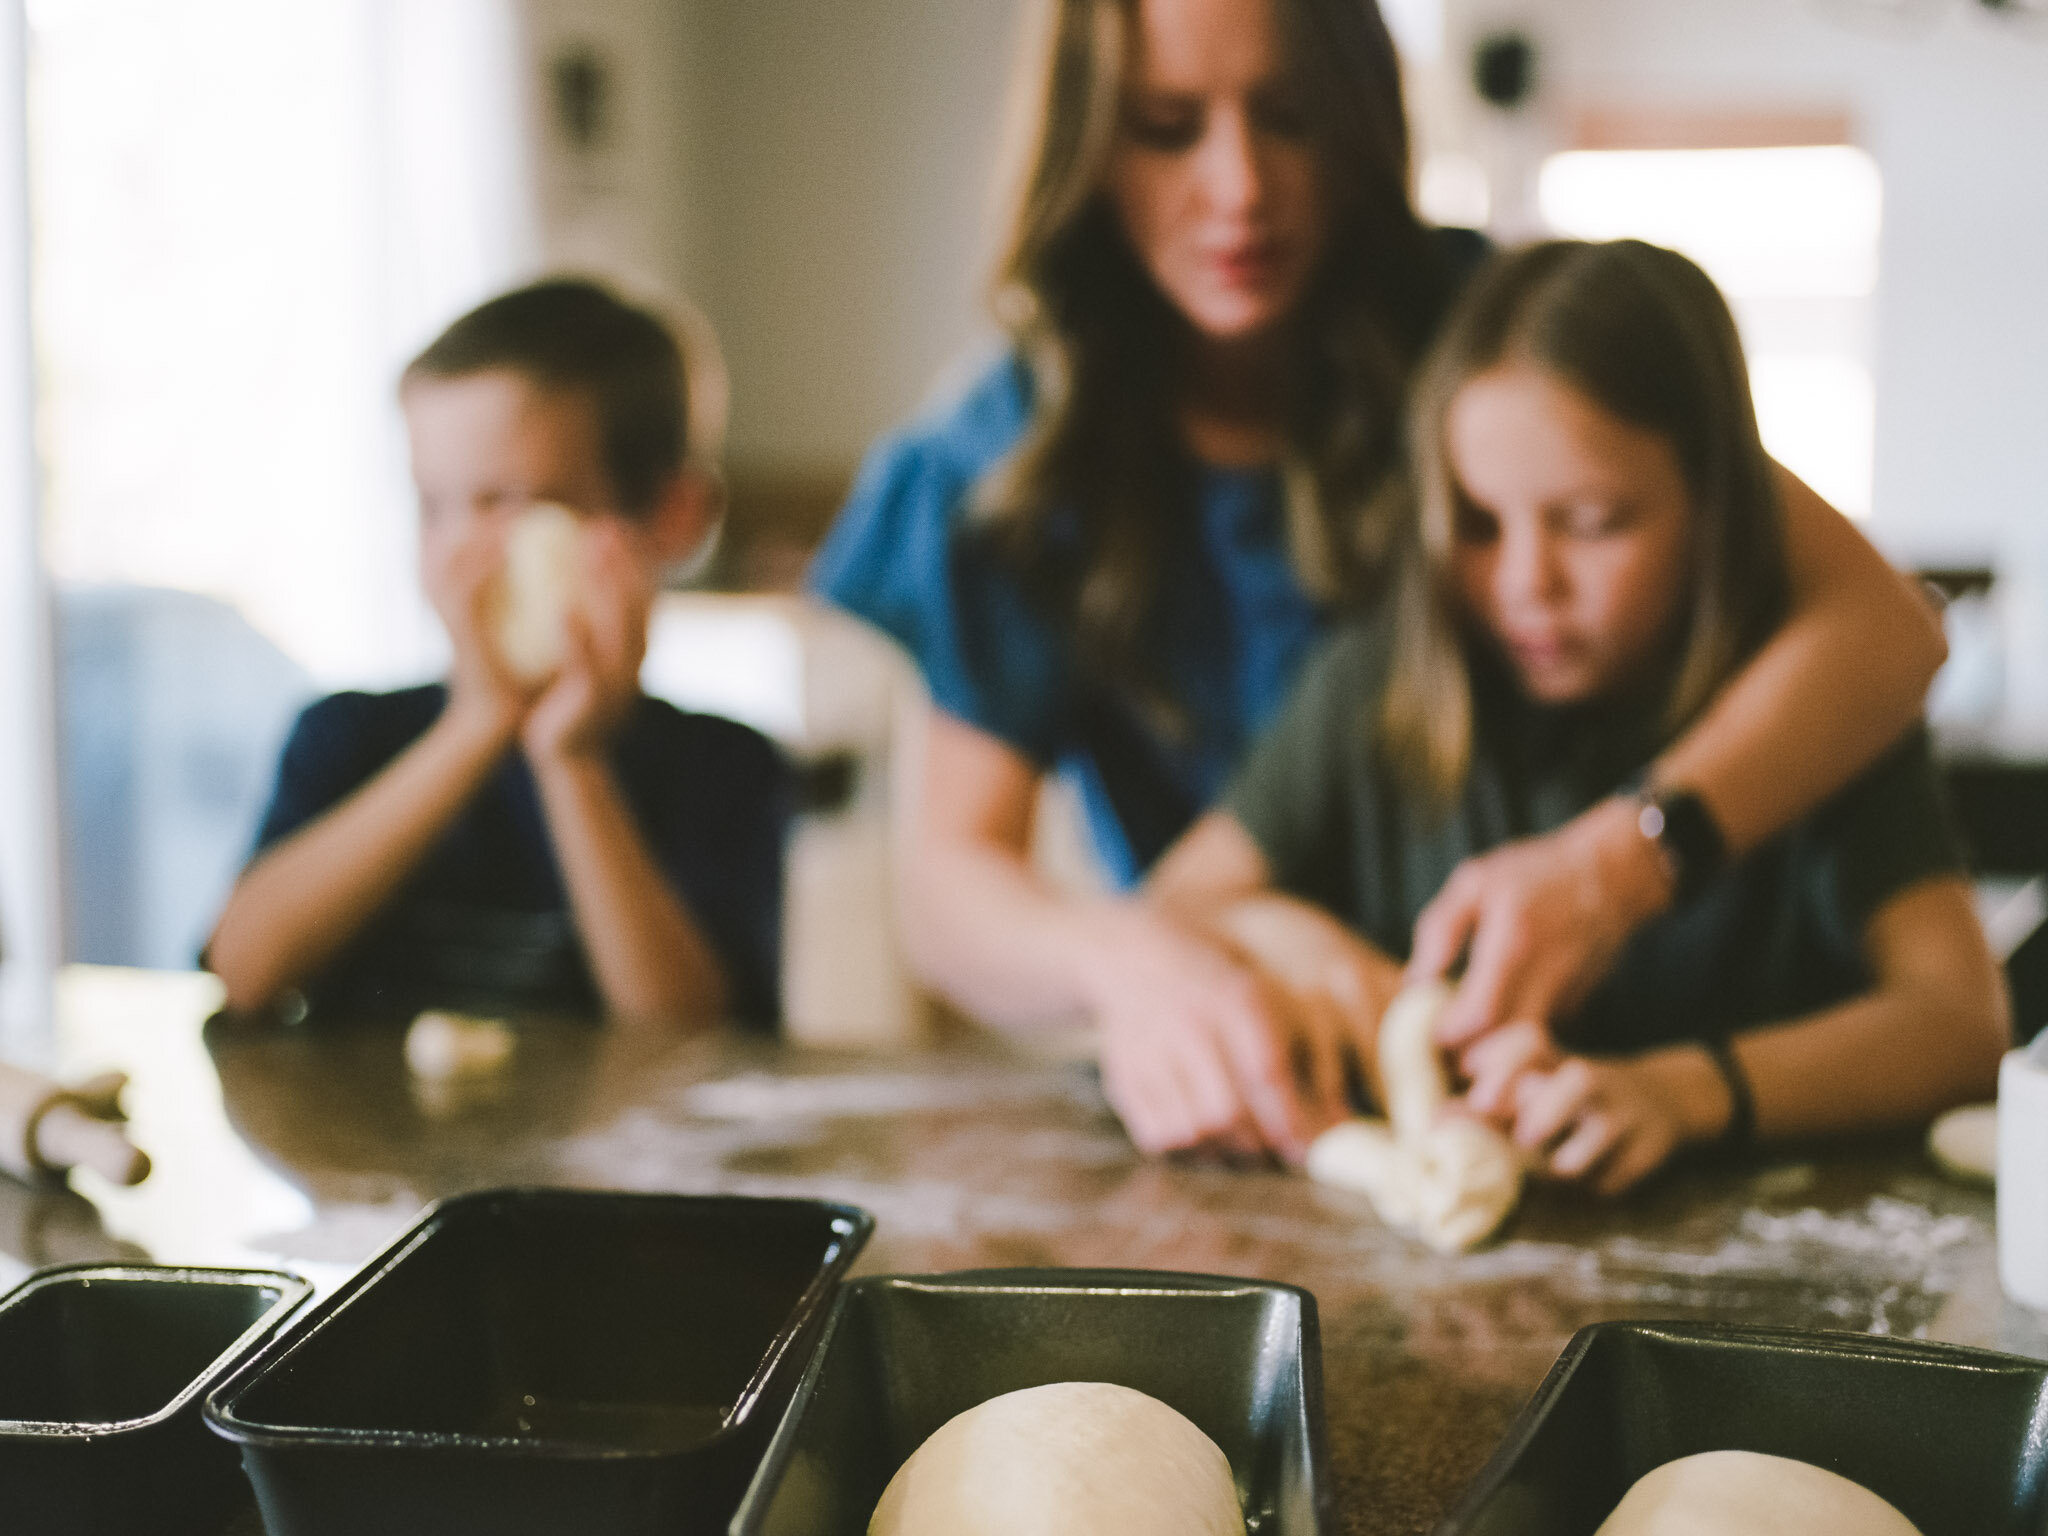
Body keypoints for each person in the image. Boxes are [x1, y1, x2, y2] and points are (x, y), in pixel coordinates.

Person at [812, 0, 1945, 1162]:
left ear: (1361, 115)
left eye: (1289, 116)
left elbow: (1883, 628)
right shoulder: (1003, 458)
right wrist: (1143, 957)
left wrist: (1616, 868)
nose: (1240, 185)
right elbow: (950, 887)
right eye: (1164, 127)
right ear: (1085, 144)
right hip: (1268, 1084)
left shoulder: (1481, 338)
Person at [1150, 239, 2009, 1192]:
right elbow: (1181, 903)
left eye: (1594, 521)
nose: (1527, 584)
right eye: (1478, 524)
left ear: (1714, 502)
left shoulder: (1815, 719)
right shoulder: (1379, 686)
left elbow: (1960, 1023)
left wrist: (1684, 1093)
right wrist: (1313, 949)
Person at [206, 279, 788, 1027]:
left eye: (505, 504)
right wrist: (477, 722)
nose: (457, 554)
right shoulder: (349, 738)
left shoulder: (725, 768)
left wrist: (572, 766)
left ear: (669, 518)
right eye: (434, 507)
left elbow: (686, 1034)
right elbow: (247, 969)